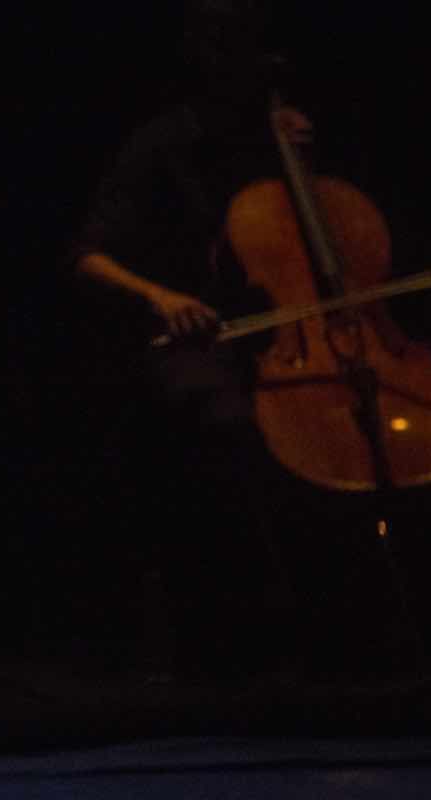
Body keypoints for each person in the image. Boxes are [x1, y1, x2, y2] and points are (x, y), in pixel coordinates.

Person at [61, 0, 308, 681]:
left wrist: (302, 158)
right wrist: (162, 298)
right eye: (231, 51)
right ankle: (247, 635)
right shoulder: (164, 143)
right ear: (205, 58)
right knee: (226, 427)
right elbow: (86, 256)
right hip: (195, 341)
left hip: (287, 336)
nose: (249, 68)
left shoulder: (278, 139)